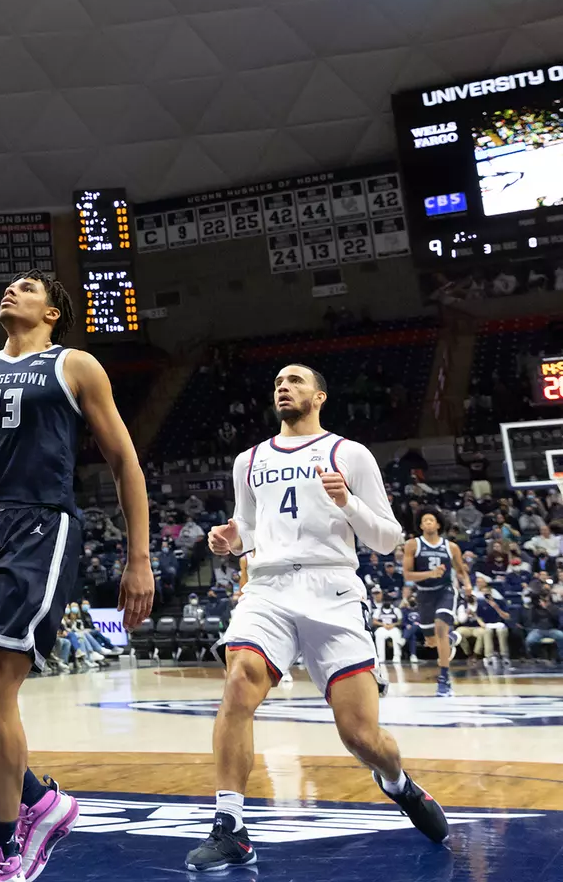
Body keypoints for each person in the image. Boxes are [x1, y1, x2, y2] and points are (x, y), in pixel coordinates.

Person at [0, 271, 154, 882]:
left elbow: (124, 459)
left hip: (40, 525)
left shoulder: (74, 365)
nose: (10, 290)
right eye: (8, 285)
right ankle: (42, 801)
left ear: (53, 313)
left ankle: (0, 849)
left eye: (28, 288)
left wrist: (138, 557)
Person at [187, 364, 447, 871]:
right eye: (279, 381)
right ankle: (230, 827)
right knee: (239, 682)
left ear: (320, 396)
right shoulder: (249, 459)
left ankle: (397, 782)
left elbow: (389, 539)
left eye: (295, 381)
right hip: (268, 587)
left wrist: (347, 501)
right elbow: (247, 527)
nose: (283, 386)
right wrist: (231, 540)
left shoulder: (349, 453)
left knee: (360, 737)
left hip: (333, 590)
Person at [404, 511, 471, 696]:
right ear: (421, 526)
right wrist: (429, 574)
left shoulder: (451, 547)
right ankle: (451, 640)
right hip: (424, 595)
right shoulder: (413, 545)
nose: (428, 523)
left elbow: (460, 570)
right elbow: (407, 575)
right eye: (424, 520)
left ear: (438, 525)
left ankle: (443, 679)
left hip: (445, 591)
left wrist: (468, 586)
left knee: (441, 627)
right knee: (432, 642)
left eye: (431, 520)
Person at [371, 591, 404, 663]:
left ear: (391, 602)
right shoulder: (378, 610)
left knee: (396, 635)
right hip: (382, 627)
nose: (387, 602)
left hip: (393, 627)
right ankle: (381, 656)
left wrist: (393, 624)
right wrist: (383, 624)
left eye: (388, 601)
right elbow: (374, 621)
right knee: (379, 635)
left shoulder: (396, 610)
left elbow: (400, 621)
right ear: (383, 601)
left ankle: (397, 656)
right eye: (385, 601)